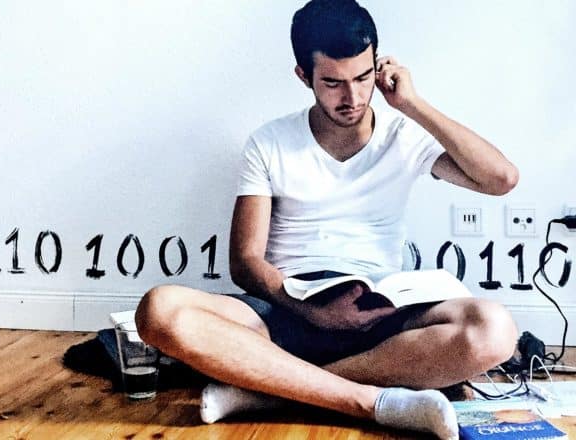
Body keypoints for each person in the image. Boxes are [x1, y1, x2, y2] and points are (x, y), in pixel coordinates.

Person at [136, 1, 519, 438]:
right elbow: (244, 261)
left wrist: (411, 104)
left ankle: (268, 391)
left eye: (361, 79)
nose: (352, 98)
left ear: (377, 67)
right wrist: (311, 310)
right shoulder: (270, 142)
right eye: (333, 83)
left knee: (495, 329)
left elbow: (500, 179)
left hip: (381, 315)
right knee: (160, 310)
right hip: (289, 307)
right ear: (304, 76)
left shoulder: (404, 136)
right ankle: (369, 400)